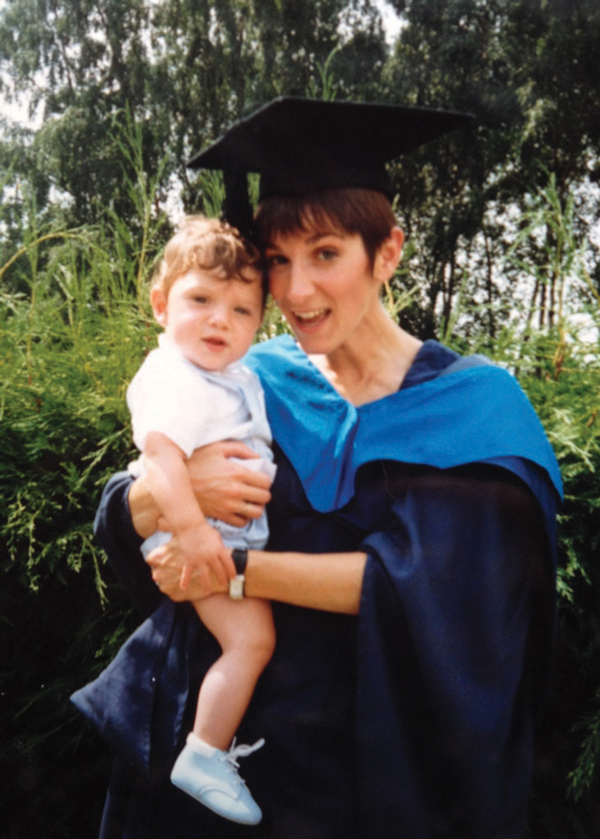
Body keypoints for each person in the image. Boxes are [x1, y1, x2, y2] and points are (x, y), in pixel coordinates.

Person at [73, 98, 562, 839]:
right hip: (214, 770)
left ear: (387, 252)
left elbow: (424, 586)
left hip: (364, 771)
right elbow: (124, 507)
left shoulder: (474, 406)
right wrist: (181, 493)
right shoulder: (253, 377)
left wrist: (235, 570)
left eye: (326, 253)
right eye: (277, 260)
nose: (296, 291)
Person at [120, 215, 276, 824]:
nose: (220, 320)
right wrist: (192, 531)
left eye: (242, 311)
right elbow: (159, 458)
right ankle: (204, 754)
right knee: (251, 639)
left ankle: (207, 747)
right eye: (202, 299)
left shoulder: (229, 374)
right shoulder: (171, 376)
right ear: (161, 304)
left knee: (247, 640)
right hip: (198, 537)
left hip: (219, 534)